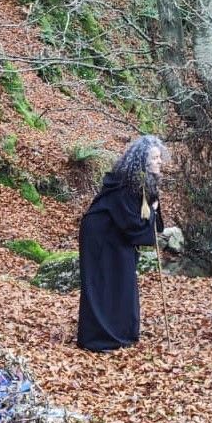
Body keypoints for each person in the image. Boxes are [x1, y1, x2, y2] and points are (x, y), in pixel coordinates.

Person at [76, 135, 167, 352]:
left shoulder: (142, 181)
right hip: (100, 237)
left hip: (116, 234)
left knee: (122, 281)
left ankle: (121, 332)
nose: (159, 161)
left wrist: (153, 211)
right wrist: (152, 213)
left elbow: (141, 221)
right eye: (155, 158)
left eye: (159, 157)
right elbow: (133, 224)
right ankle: (100, 338)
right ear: (142, 161)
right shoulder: (126, 184)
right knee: (106, 283)